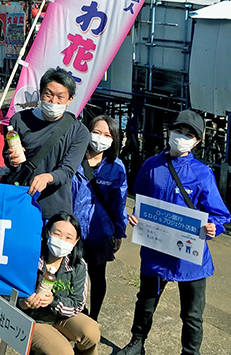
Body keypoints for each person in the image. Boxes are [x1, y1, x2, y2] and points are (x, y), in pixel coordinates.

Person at [116, 110, 231, 355]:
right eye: (179, 131)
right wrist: (136, 215)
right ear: (170, 131)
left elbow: (221, 215)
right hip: (156, 251)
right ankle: (137, 342)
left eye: (189, 134)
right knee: (145, 301)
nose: (182, 137)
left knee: (191, 314)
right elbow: (141, 199)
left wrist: (214, 227)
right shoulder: (151, 165)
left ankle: (190, 352)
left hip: (190, 258)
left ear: (197, 141)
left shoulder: (202, 174)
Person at [4, 68, 90, 220]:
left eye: (60, 97)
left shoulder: (79, 132)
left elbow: (68, 170)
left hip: (54, 208)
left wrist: (48, 177)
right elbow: (8, 156)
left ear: (70, 99)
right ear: (40, 93)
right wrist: (12, 160)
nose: (53, 102)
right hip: (20, 199)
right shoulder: (19, 120)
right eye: (48, 95)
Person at [71, 115, 128, 321]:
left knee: (97, 277)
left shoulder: (116, 167)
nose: (101, 138)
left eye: (107, 135)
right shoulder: (73, 157)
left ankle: (93, 317)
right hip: (71, 231)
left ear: (114, 140)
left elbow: (119, 203)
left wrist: (119, 232)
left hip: (99, 232)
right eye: (96, 132)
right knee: (69, 274)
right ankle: (71, 313)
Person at [18, 212, 100, 355]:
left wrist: (54, 301)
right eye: (57, 234)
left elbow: (78, 303)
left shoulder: (78, 265)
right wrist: (24, 303)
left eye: (69, 238)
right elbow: (8, 293)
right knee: (63, 352)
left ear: (76, 241)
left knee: (91, 332)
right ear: (48, 232)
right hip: (34, 319)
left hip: (61, 315)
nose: (62, 241)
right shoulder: (30, 258)